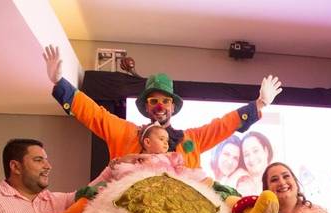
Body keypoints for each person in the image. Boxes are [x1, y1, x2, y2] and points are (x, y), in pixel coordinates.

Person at [43, 45, 282, 168]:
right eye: (154, 101)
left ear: (173, 107)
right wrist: (60, 83)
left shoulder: (190, 141)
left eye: (165, 101)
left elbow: (223, 125)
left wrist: (259, 104)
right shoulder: (125, 133)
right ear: (146, 107)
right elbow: (95, 114)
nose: (160, 106)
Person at [240, 131, 274, 195]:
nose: (251, 158)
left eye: (255, 151)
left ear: (266, 151)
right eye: (246, 154)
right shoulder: (241, 186)